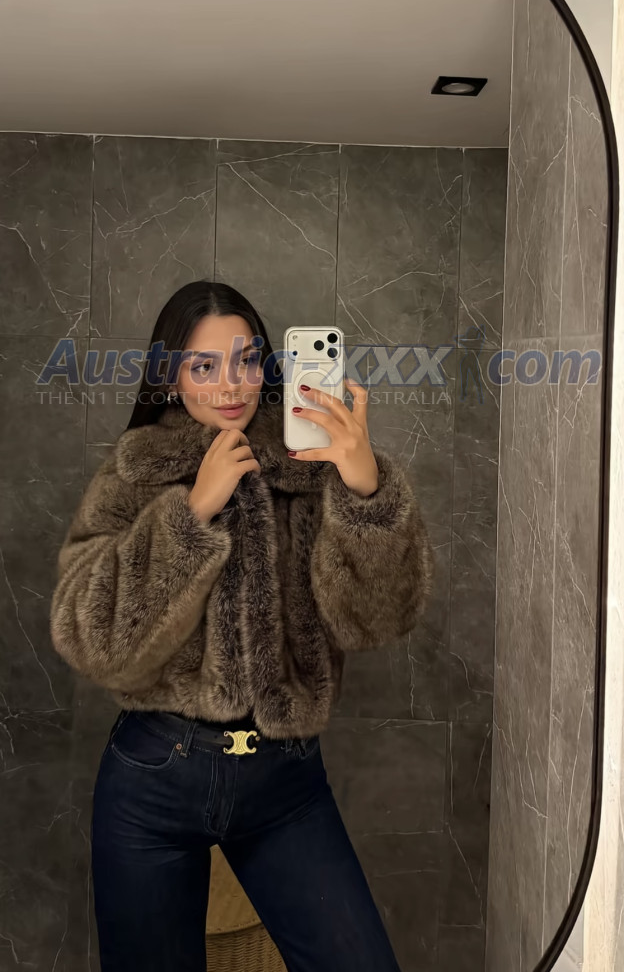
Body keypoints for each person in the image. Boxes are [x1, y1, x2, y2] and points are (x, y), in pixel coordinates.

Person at [50, 279, 435, 972]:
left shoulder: (310, 465)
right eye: (204, 365)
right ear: (170, 375)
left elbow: (376, 620)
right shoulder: (136, 473)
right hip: (153, 781)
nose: (231, 384)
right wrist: (191, 513)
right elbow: (89, 637)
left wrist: (363, 487)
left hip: (286, 784)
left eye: (247, 359)